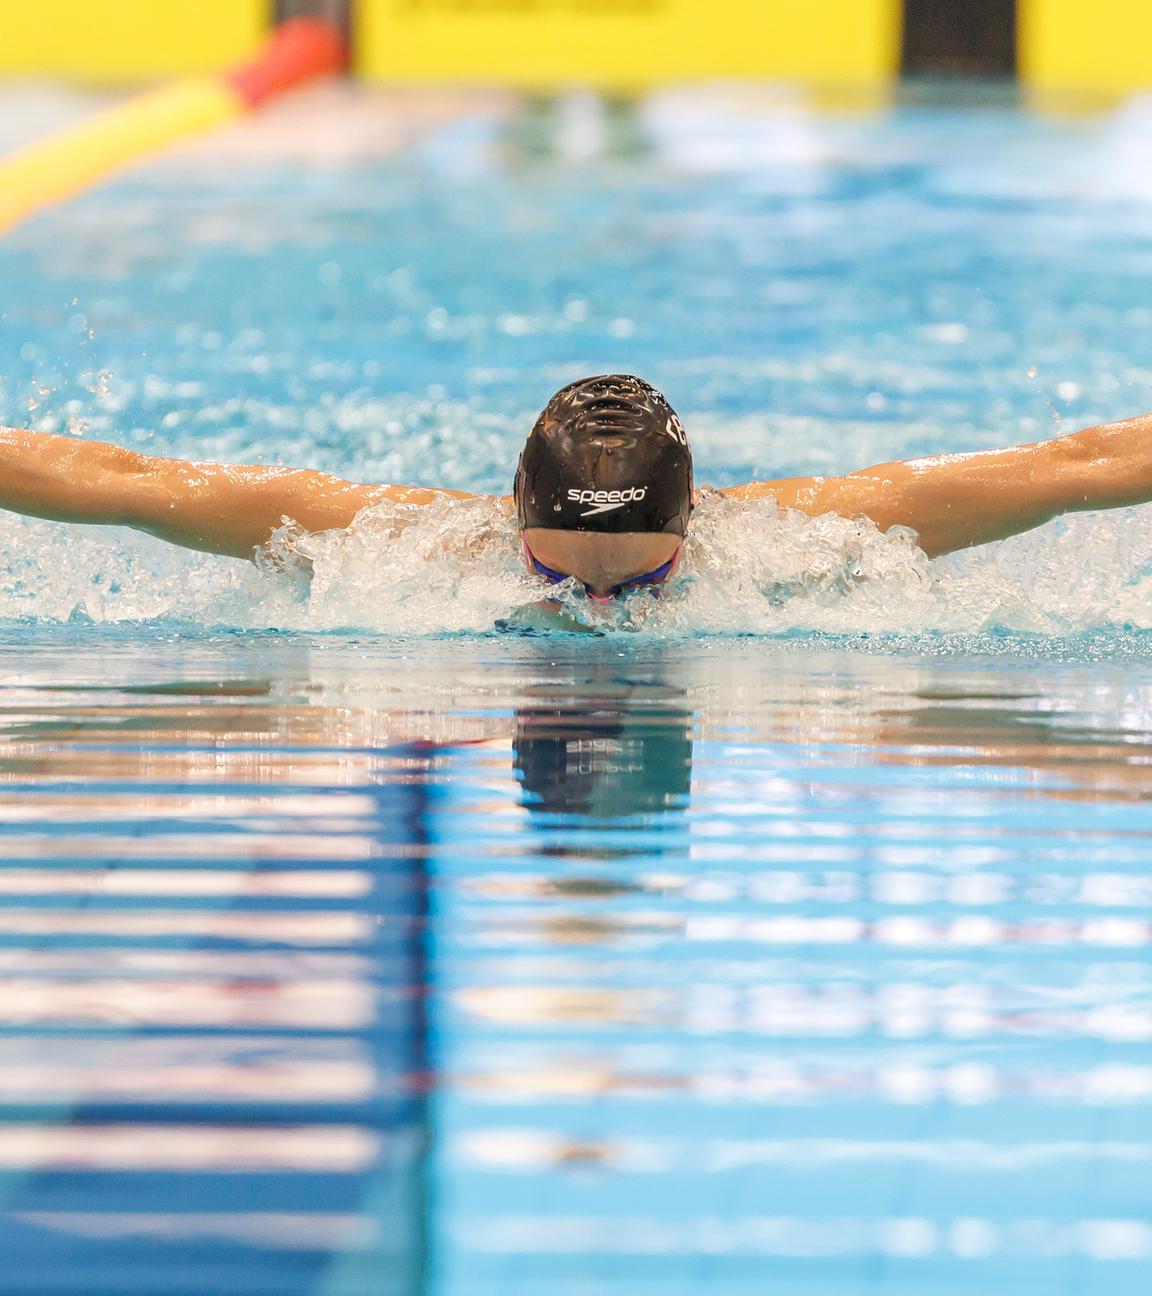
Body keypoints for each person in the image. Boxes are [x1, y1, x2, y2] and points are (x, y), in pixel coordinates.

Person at [1, 371, 1150, 601]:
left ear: (694, 520)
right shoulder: (393, 546)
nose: (597, 610)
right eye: (555, 576)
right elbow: (128, 480)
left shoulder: (803, 538)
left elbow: (1069, 468)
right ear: (512, 517)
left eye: (641, 584)